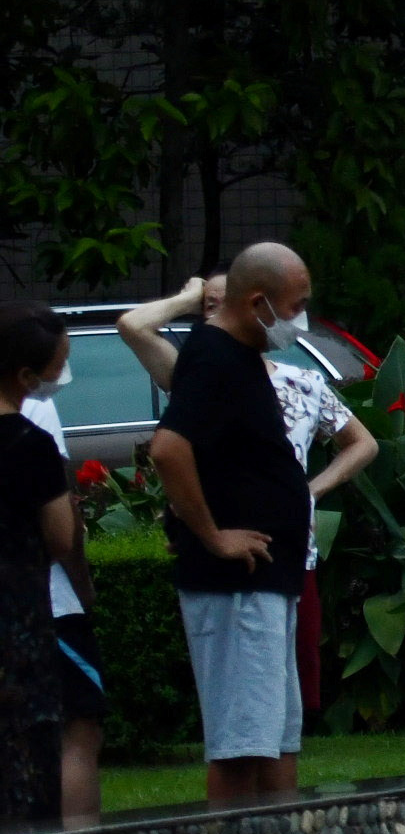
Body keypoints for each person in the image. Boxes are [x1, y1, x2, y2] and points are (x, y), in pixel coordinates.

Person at [117, 273, 378, 719]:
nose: (219, 313)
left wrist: (311, 489)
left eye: (227, 302)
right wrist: (187, 297)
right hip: (235, 552)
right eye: (211, 306)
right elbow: (133, 326)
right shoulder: (199, 372)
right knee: (247, 701)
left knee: (290, 692)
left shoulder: (303, 382)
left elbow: (363, 442)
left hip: (294, 547)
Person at [149, 243, 314, 801]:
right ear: (258, 301)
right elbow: (170, 449)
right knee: (244, 742)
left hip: (269, 577)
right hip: (238, 586)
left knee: (276, 736)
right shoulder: (213, 356)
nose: (300, 318)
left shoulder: (238, 353)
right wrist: (213, 536)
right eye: (296, 306)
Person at [0, 306, 96, 824]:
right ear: (25, 376)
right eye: (58, 367)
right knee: (32, 740)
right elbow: (61, 537)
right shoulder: (30, 446)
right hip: (20, 617)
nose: (60, 378)